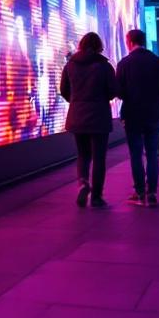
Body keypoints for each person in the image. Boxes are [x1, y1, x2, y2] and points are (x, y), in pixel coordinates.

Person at [60, 32, 117, 208]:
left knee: (83, 154)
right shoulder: (105, 66)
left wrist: (76, 101)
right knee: (99, 157)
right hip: (99, 116)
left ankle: (83, 183)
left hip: (77, 115)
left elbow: (64, 90)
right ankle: (97, 197)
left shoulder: (70, 65)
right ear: (99, 46)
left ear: (81, 45)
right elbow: (112, 91)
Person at [116, 29, 159, 207]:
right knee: (152, 154)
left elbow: (119, 91)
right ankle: (152, 193)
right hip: (154, 114)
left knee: (136, 154)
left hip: (132, 114)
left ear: (130, 42)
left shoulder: (124, 63)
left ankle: (139, 193)